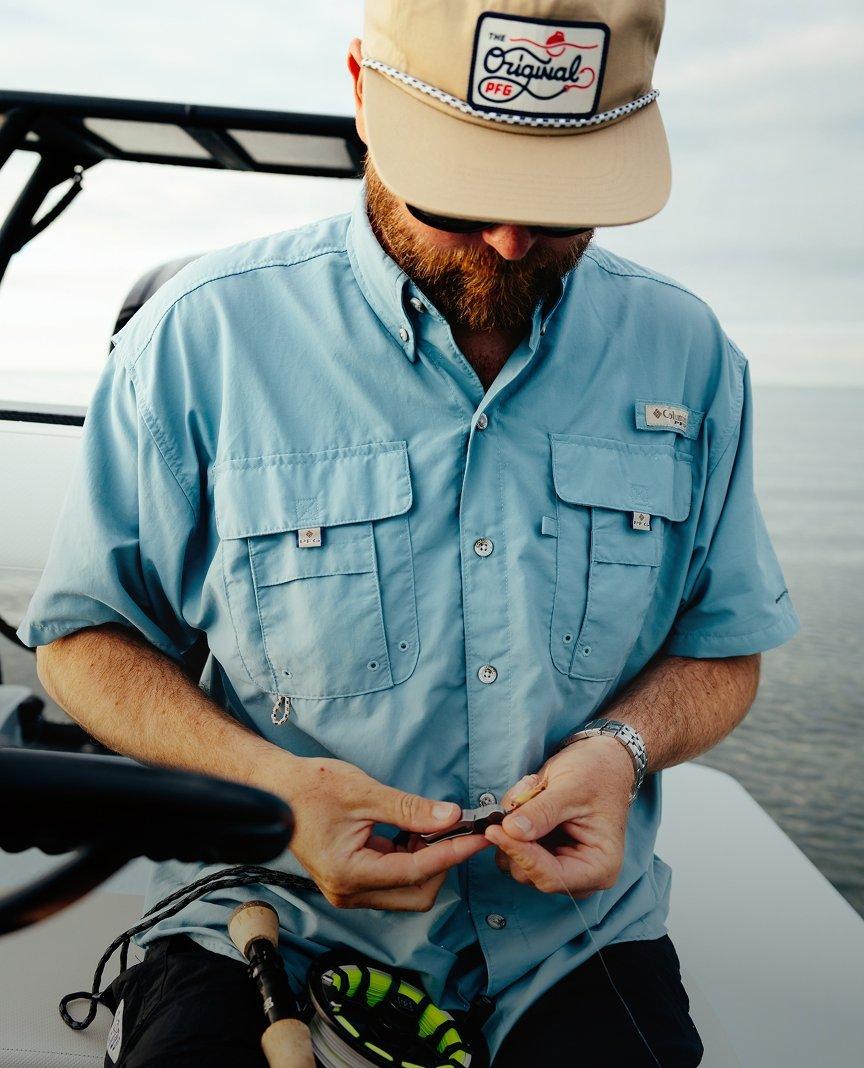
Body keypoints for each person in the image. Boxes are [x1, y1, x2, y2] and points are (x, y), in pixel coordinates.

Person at [16, 1, 798, 1064]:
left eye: (564, 203)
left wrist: (623, 751)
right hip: (258, 918)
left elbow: (722, 648)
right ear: (362, 94)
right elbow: (81, 641)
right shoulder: (197, 340)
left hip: (576, 946)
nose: (514, 239)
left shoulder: (693, 357)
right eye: (464, 191)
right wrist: (275, 789)